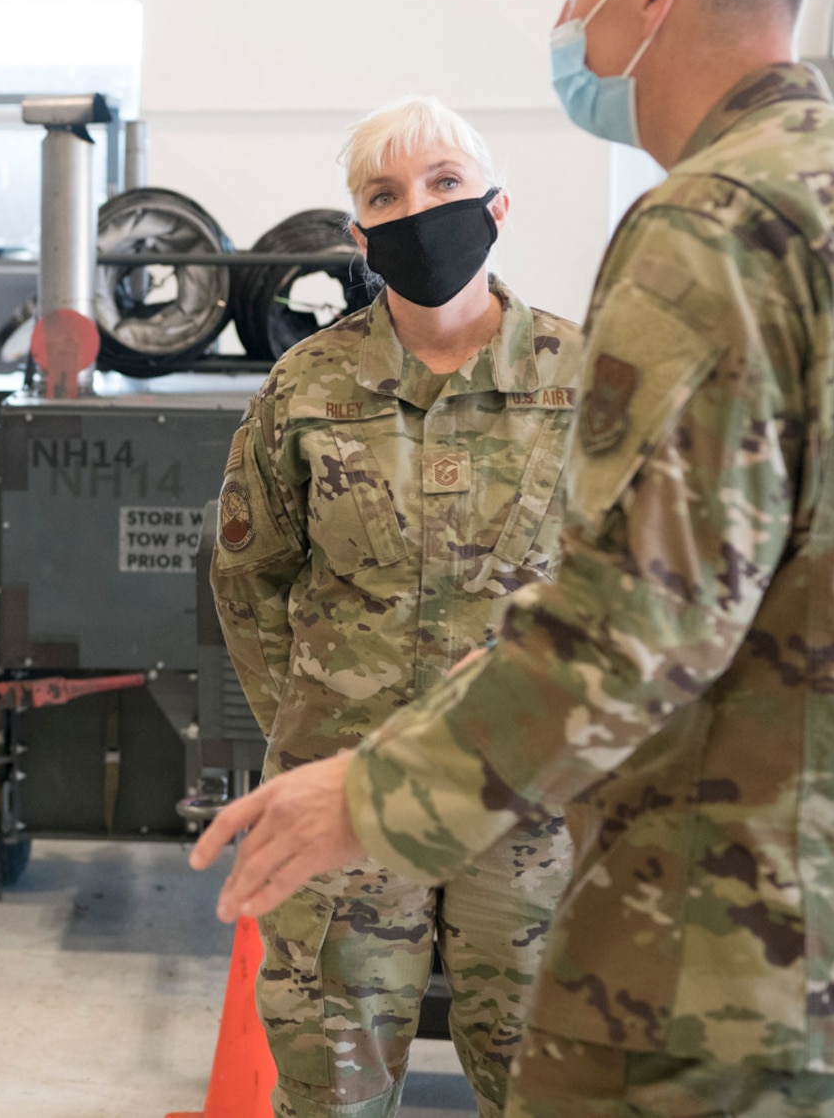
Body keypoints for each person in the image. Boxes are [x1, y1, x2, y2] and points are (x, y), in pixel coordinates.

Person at [191, 0, 834, 1116]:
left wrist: (372, 792)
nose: (568, 21)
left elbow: (641, 619)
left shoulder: (710, 225)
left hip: (717, 939)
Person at [213, 98, 581, 1118]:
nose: (416, 211)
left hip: (525, 796)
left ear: (496, 206)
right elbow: (249, 580)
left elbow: (630, 590)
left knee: (543, 1078)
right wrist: (308, 728)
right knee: (328, 1078)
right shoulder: (305, 384)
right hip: (343, 791)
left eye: (443, 185)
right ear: (358, 235)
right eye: (384, 195)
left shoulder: (582, 377)